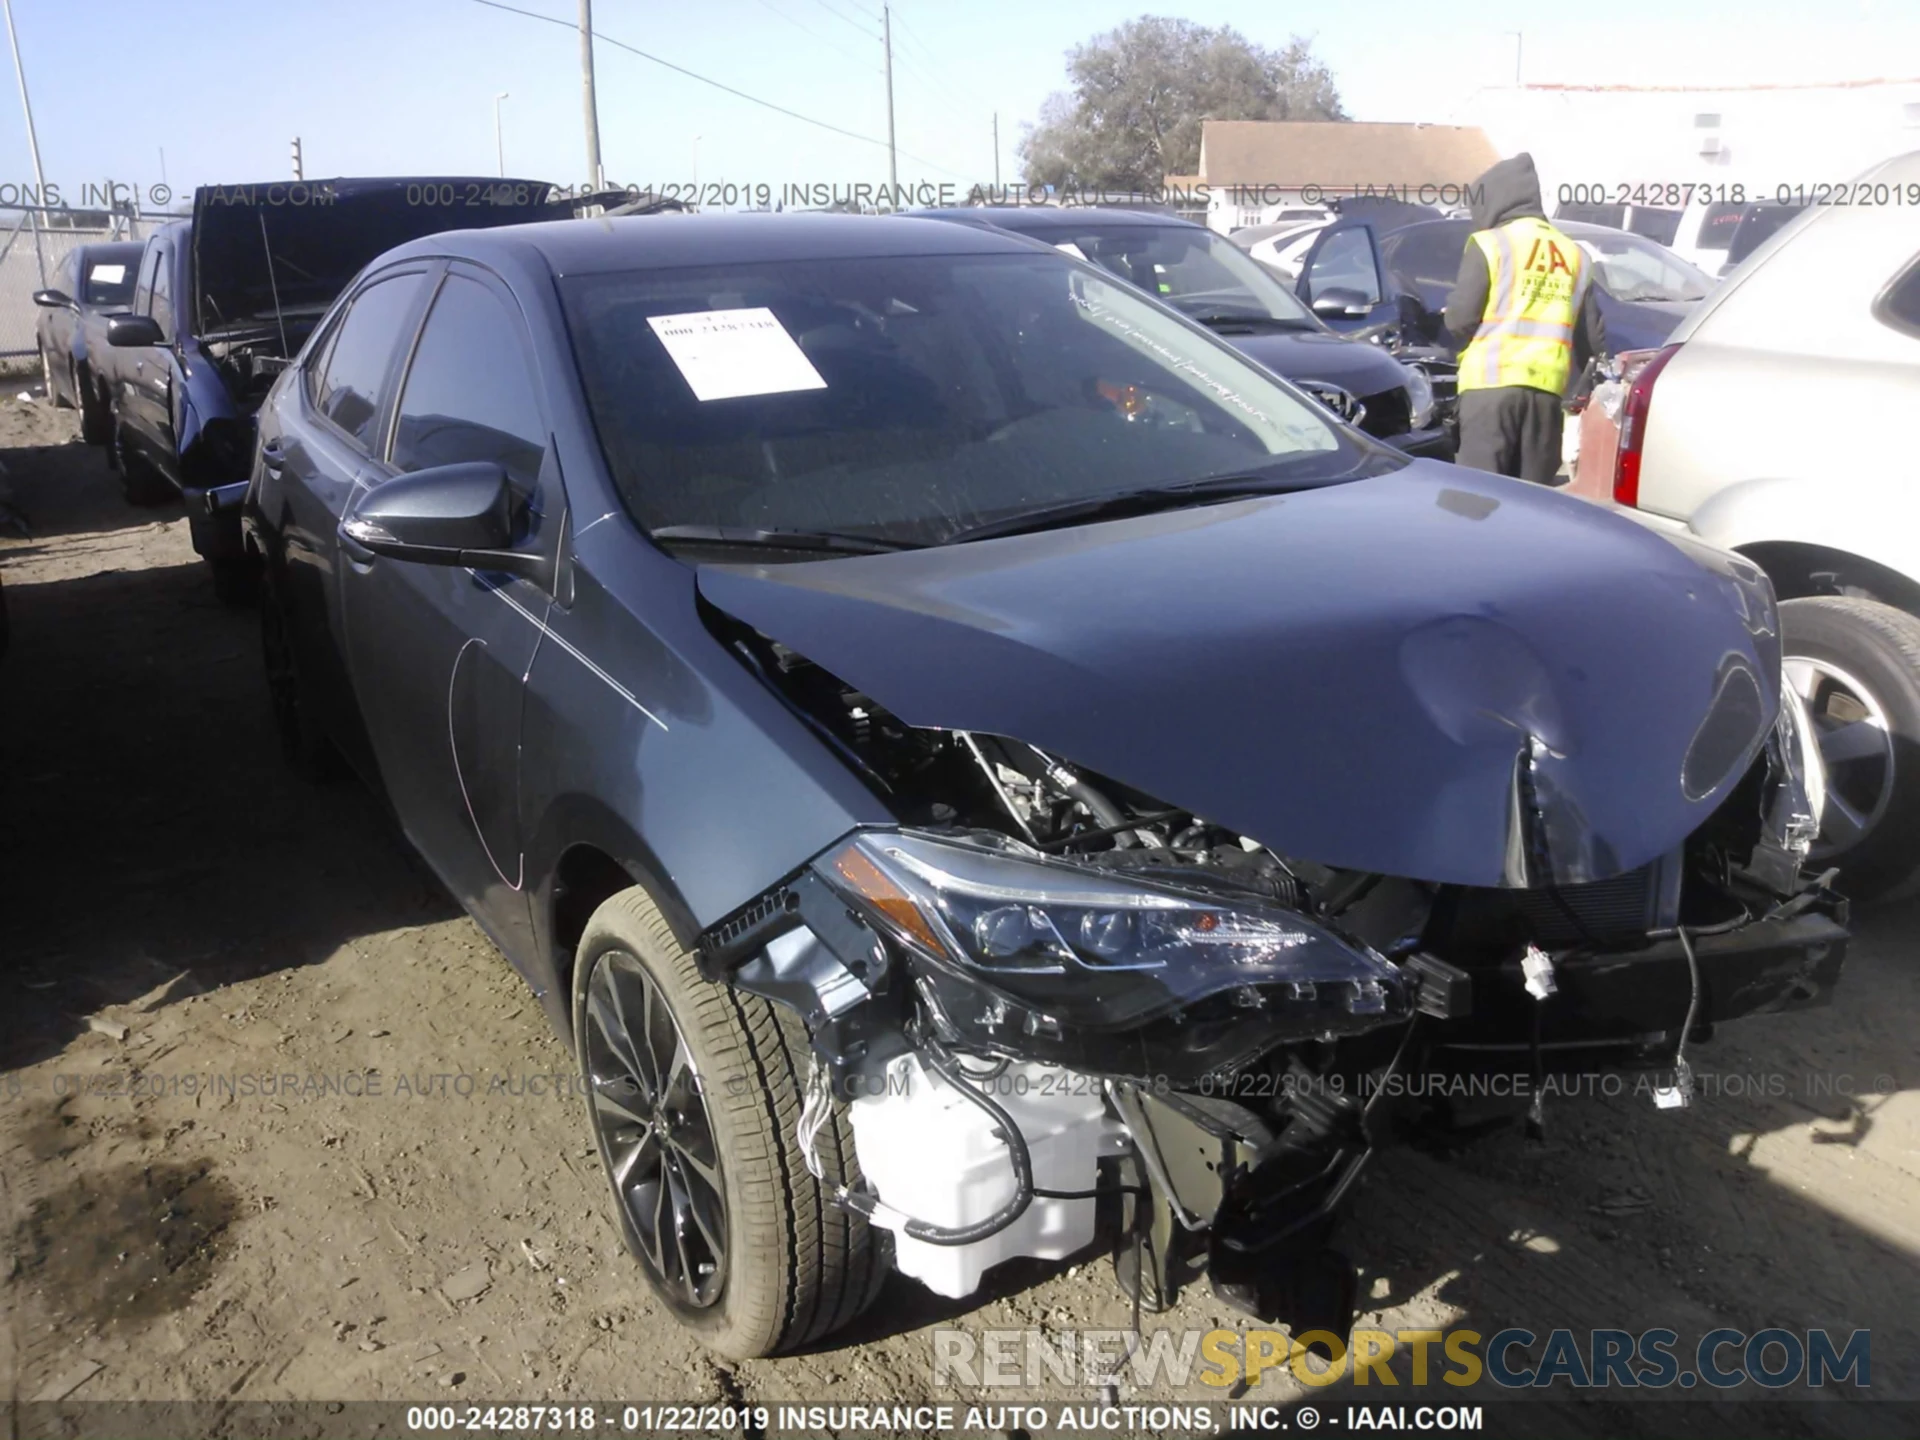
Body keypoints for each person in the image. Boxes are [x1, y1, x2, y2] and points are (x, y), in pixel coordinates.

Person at [1444, 153, 1606, 483]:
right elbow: (1594, 339)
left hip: (1488, 392)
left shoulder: (1490, 244)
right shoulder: (1575, 253)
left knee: (1477, 502)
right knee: (1532, 506)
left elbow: (1460, 319)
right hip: (1545, 397)